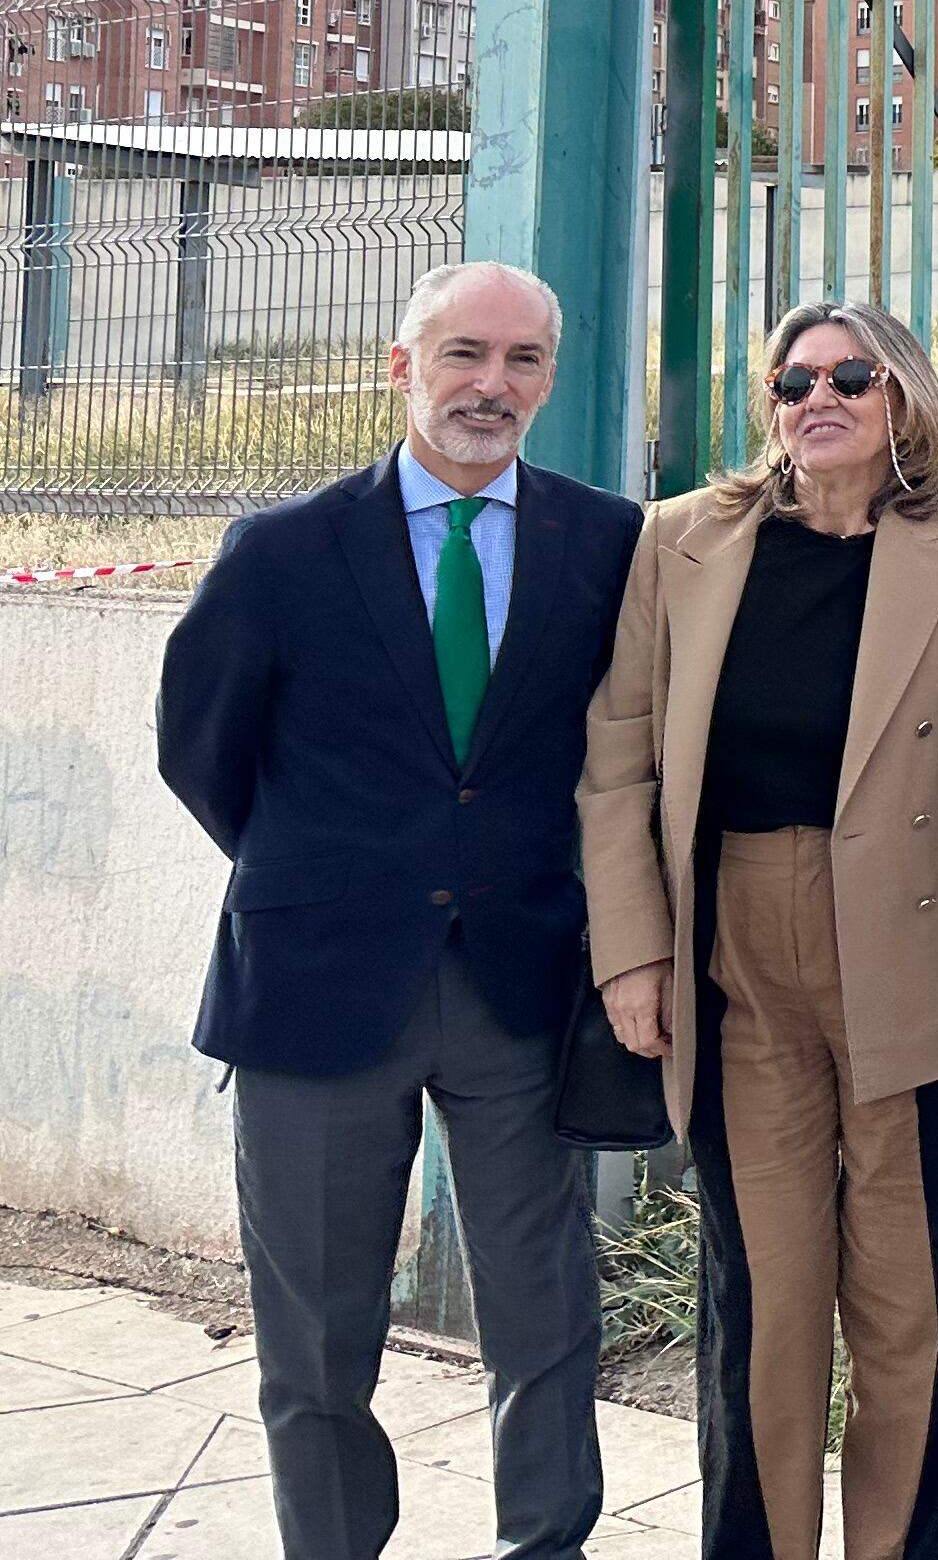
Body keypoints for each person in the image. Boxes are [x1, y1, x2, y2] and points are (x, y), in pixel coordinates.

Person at [154, 258, 641, 1560]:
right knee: (316, 1334)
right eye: (465, 354)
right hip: (315, 990)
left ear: (551, 376)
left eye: (524, 360)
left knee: (545, 1313)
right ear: (402, 366)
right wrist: (328, 874)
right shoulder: (284, 550)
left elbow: (625, 747)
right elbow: (201, 746)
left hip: (523, 982)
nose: (493, 384)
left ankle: (548, 1545)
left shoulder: (607, 543)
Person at [579, 302, 938, 1560]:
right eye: (791, 379)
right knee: (767, 1300)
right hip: (738, 956)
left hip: (919, 954)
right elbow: (617, 755)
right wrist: (635, 950)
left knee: (911, 1305)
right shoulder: (685, 541)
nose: (815, 397)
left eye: (850, 376)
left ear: (906, 399)